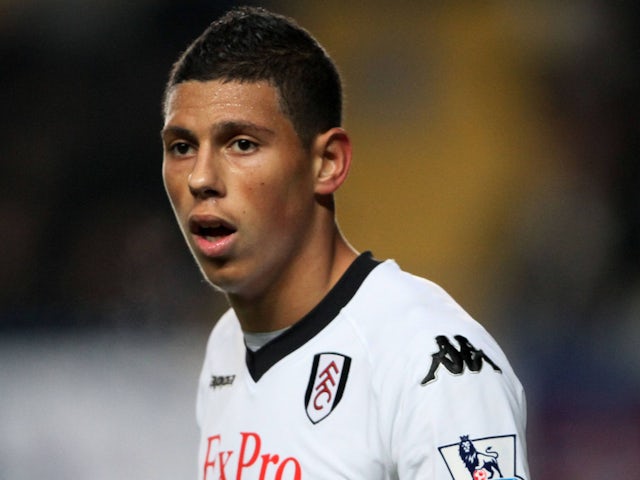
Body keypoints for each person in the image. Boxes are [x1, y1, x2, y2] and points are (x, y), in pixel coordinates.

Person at [161, 6, 530, 480]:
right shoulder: (226, 346)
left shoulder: (430, 361)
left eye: (243, 144)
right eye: (182, 147)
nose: (201, 178)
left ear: (328, 163)